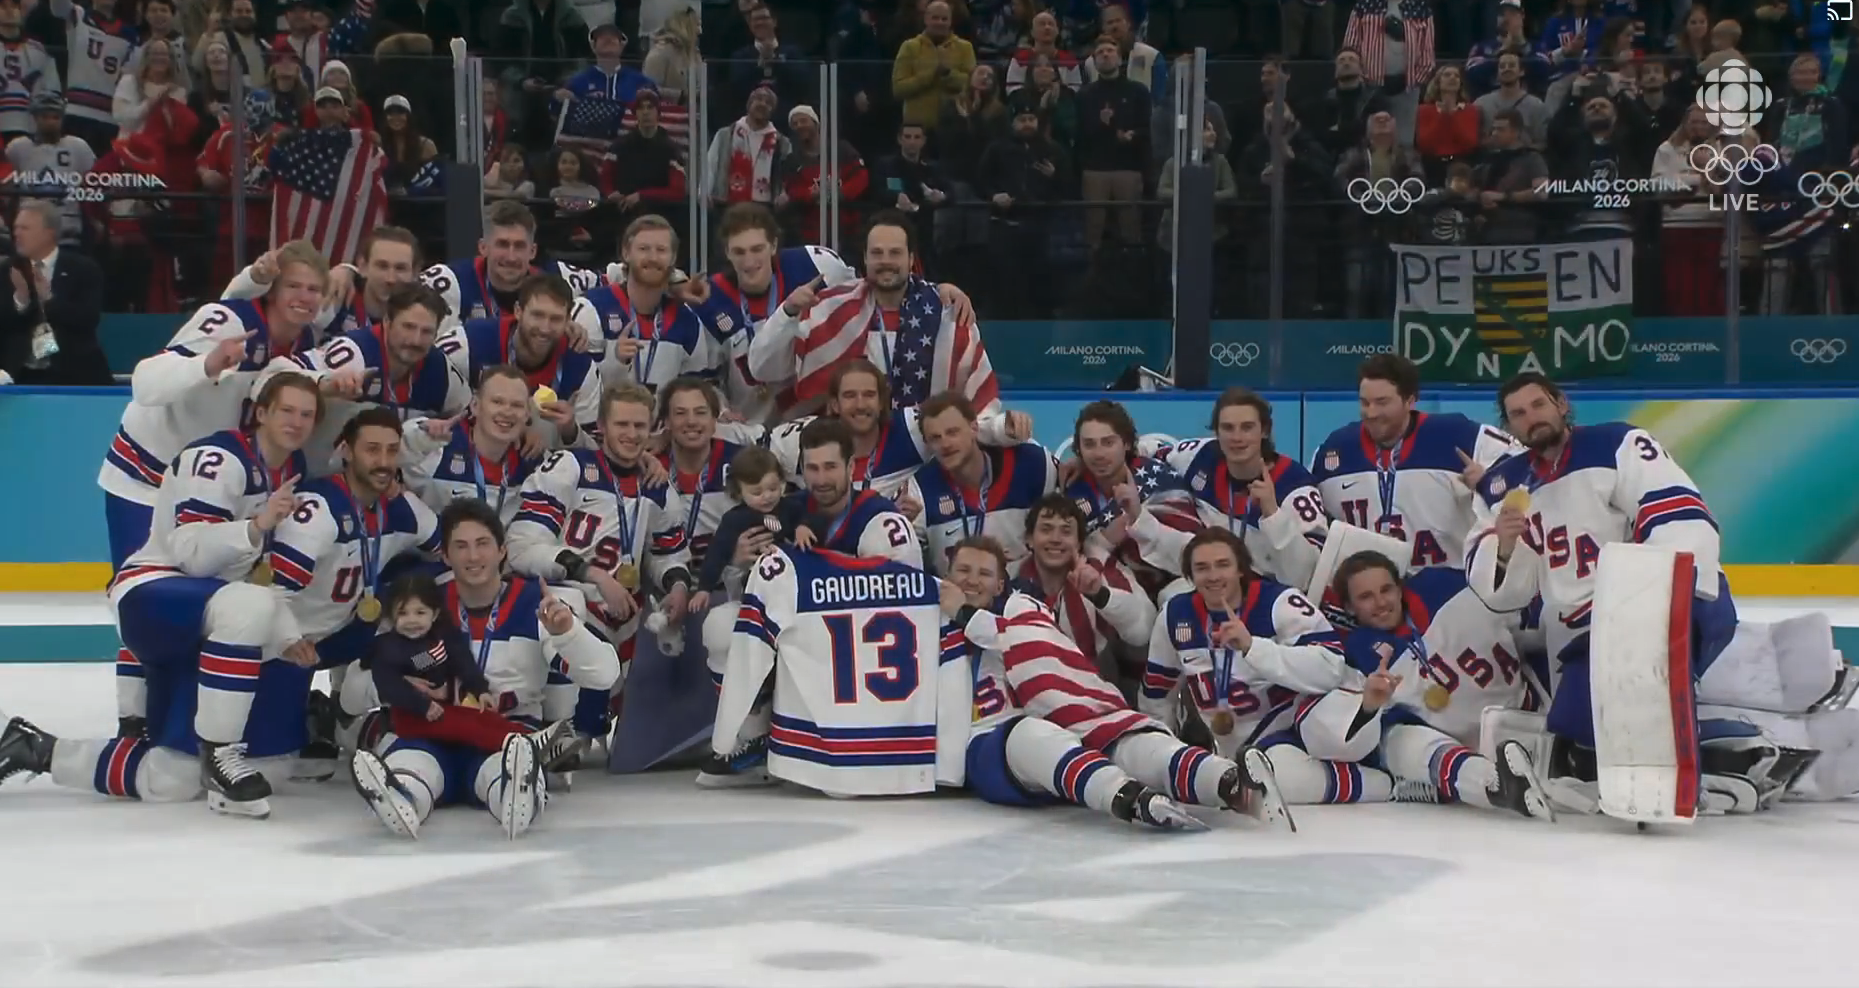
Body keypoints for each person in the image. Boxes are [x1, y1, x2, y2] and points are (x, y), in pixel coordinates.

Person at [0, 374, 321, 817]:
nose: (297, 422)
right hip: (155, 591)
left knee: (170, 778)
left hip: (213, 617)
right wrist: (256, 525)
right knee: (250, 605)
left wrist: (287, 637)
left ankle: (36, 749)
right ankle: (220, 755)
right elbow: (191, 555)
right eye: (287, 410)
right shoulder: (219, 456)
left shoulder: (291, 468)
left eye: (307, 414)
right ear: (261, 412)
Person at [1465, 372, 1738, 808]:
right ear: (1510, 428)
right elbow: (1500, 592)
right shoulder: (1504, 486)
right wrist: (1505, 545)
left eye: (1538, 405)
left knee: (1647, 703)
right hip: (1587, 637)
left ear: (1561, 404)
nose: (1531, 418)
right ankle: (1731, 759)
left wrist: (1650, 598)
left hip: (1662, 604)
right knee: (1577, 725)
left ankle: (1707, 774)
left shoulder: (1617, 444)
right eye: (1518, 414)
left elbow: (1676, 509)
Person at [100, 240, 327, 737]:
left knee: (206, 599)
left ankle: (178, 715)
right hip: (145, 478)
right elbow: (145, 381)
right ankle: (133, 720)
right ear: (272, 288)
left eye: (315, 289)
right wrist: (205, 366)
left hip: (208, 484)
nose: (305, 297)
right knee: (145, 595)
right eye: (294, 285)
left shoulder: (302, 344)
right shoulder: (228, 322)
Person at [943, 536, 1293, 828]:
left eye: (984, 573)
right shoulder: (922, 621)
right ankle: (1130, 798)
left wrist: (965, 614)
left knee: (1131, 743)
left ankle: (1228, 783)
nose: (972, 580)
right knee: (1027, 732)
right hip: (992, 747)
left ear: (1001, 584)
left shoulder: (1021, 612)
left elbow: (1023, 638)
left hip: (1068, 741)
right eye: (963, 570)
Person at [351, 499, 621, 840]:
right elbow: (358, 686)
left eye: (482, 545)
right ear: (446, 557)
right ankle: (401, 797)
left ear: (502, 551)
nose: (473, 557)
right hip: (432, 727)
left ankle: (517, 795)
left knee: (504, 768)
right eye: (460, 547)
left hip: (505, 730)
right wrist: (398, 688)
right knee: (413, 764)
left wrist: (567, 633)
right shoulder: (418, 607)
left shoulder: (535, 606)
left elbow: (604, 675)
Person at [506, 382, 695, 754]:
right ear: (602, 427)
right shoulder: (570, 467)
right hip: (569, 603)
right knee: (568, 601)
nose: (631, 434)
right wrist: (591, 575)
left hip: (622, 611)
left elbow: (669, 552)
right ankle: (547, 728)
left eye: (639, 426)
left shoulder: (656, 485)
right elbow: (522, 547)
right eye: (621, 424)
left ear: (653, 428)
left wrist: (677, 586)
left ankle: (596, 724)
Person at [1310, 549, 1553, 818]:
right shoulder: (1355, 654)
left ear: (1400, 588)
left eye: (1386, 589)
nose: (1380, 602)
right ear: (1348, 607)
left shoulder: (1444, 586)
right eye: (1365, 597)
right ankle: (1492, 783)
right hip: (1463, 748)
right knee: (1393, 737)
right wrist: (1370, 704)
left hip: (1530, 717)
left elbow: (1515, 605)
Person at [1137, 529, 1357, 786]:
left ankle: (1381, 785)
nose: (1213, 576)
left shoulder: (1280, 602)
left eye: (1223, 565)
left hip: (1296, 734)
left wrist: (1253, 647)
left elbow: (1331, 668)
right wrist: (1160, 756)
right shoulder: (1175, 615)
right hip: (1231, 754)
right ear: (1190, 575)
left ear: (1241, 569)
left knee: (1280, 775)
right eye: (1202, 568)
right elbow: (1157, 694)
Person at [750, 210, 997, 415]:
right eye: (877, 253)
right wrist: (788, 312)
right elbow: (762, 369)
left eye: (895, 253)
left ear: (911, 259)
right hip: (845, 450)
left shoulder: (946, 313)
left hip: (923, 449)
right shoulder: (828, 308)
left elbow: (981, 394)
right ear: (865, 259)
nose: (886, 261)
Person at [1308, 355, 1520, 570]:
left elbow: (1527, 471)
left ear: (1410, 400)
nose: (1371, 413)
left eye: (1382, 402)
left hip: (1449, 589)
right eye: (1365, 403)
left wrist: (1488, 483)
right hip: (1370, 595)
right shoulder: (1333, 452)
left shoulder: (1460, 436)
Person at [668, 202, 858, 421]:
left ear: (774, 245)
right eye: (739, 252)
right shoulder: (708, 301)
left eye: (757, 249)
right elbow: (704, 379)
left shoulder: (815, 265)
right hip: (753, 426)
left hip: (823, 417)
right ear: (727, 252)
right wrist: (720, 409)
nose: (749, 262)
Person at [1128, 388, 1328, 588]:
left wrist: (1273, 514)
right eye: (1228, 428)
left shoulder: (1295, 487)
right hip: (1210, 581)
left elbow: (1307, 576)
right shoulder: (1199, 456)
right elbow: (1152, 450)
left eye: (1247, 427)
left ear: (1265, 431)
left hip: (1267, 593)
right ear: (1217, 432)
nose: (1237, 437)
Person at [259, 283, 471, 466]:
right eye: (408, 327)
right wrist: (323, 383)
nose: (415, 340)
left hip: (382, 477)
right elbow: (268, 377)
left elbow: (471, 415)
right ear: (387, 322)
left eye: (426, 332)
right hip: (313, 472)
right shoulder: (354, 353)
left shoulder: (439, 369)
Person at [766, 359, 1030, 499]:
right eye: (850, 396)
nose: (860, 405)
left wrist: (1005, 427)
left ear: (882, 401)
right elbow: (750, 456)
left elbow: (966, 430)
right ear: (834, 403)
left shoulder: (910, 428)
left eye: (869, 395)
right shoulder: (801, 440)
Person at [901, 391, 1057, 573]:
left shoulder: (1032, 464)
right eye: (935, 438)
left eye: (952, 432)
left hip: (1024, 594)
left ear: (975, 428)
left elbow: (1072, 516)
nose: (945, 444)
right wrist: (905, 525)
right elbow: (903, 562)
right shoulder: (920, 489)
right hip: (955, 597)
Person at [442, 274, 601, 449]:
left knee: (545, 424)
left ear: (568, 320)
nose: (545, 328)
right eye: (537, 315)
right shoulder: (469, 342)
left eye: (555, 319)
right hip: (469, 455)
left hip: (540, 465)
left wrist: (570, 431)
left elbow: (597, 455)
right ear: (518, 311)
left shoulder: (581, 366)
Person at [1014, 494, 1155, 685]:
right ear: (1029, 539)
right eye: (1046, 529)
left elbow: (1142, 630)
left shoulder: (1100, 568)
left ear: (1079, 543)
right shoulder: (1009, 579)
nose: (1056, 539)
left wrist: (1100, 595)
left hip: (1098, 686)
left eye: (1066, 531)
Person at [570, 216, 707, 396]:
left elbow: (696, 391)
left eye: (661, 250)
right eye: (644, 249)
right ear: (626, 253)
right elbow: (575, 390)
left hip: (661, 423)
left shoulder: (688, 321)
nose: (653, 258)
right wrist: (615, 361)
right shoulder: (592, 308)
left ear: (673, 257)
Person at [398, 365, 541, 527]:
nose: (507, 412)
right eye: (497, 401)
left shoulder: (533, 464)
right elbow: (393, 450)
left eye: (517, 405)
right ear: (475, 405)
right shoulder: (439, 445)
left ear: (527, 414)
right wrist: (421, 436)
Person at [420, 200, 601, 326]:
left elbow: (618, 278)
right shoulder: (450, 281)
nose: (511, 257)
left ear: (533, 251)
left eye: (519, 246)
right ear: (483, 248)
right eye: (503, 244)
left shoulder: (559, 277)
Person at [225, 228, 425, 341]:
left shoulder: (427, 314)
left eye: (400, 268)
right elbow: (231, 303)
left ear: (416, 273)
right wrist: (254, 278)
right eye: (382, 266)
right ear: (362, 265)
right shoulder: (334, 297)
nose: (390, 278)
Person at [780, 417, 921, 563]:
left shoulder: (876, 514)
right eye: (812, 468)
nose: (821, 480)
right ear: (802, 469)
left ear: (851, 467)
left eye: (830, 467)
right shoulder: (784, 509)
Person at [3, 199, 110, 386]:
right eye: (16, 227)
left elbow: (87, 319)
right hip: (21, 374)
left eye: (25, 228)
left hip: (72, 373)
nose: (16, 234)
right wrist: (21, 301)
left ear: (49, 232)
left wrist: (49, 300)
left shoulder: (83, 268)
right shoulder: (8, 270)